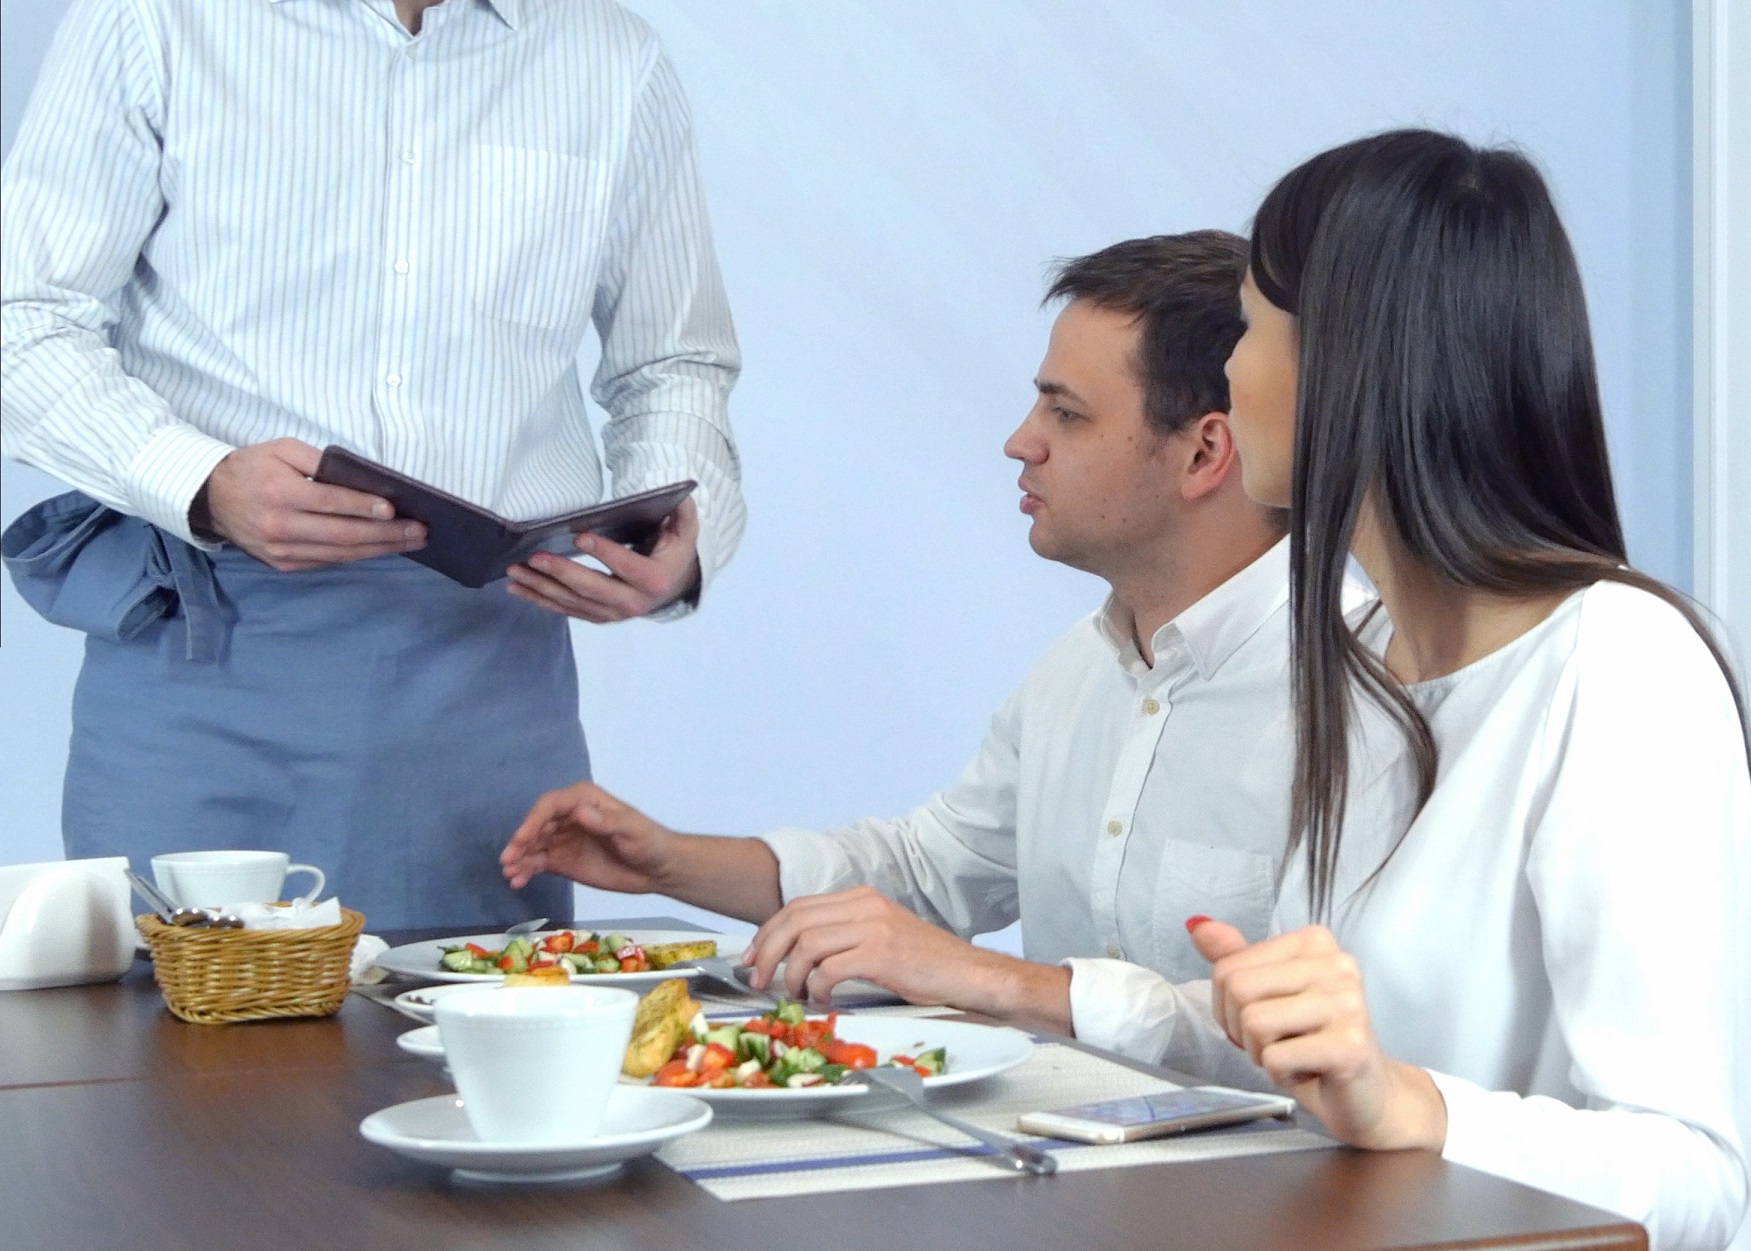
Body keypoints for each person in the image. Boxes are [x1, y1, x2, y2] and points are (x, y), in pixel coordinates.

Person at [503, 231, 1359, 1037]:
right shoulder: (1081, 668)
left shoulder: (1361, 691)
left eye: (1065, 414)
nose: (1019, 442)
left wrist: (989, 979)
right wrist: (665, 861)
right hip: (1067, 1159)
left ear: (1205, 452)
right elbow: (926, 872)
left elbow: (1338, 1031)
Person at [0, 0, 744, 928]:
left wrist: (674, 533)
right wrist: (197, 477)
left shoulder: (610, 56)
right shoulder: (154, 18)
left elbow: (673, 362)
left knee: (484, 1045)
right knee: (177, 1045)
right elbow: (22, 317)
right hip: (211, 655)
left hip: (487, 680)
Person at [1144, 131, 1746, 1249]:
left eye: (1246, 327)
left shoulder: (1619, 664)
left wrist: (1406, 1102)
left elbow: (1700, 1179)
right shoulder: (1362, 659)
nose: (1223, 372)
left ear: (1350, 356)